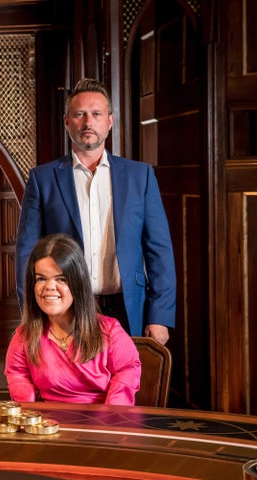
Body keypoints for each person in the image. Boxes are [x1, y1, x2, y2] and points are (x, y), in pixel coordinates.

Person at [15, 78, 176, 345]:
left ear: (109, 121)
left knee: (126, 386)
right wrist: (32, 315)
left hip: (127, 308)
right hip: (66, 309)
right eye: (80, 114)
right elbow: (26, 254)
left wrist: (159, 316)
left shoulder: (140, 177)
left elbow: (159, 251)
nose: (88, 122)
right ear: (67, 122)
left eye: (96, 114)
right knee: (71, 387)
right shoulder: (42, 179)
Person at [5, 233, 141, 405]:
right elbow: (18, 378)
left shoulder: (110, 331)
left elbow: (128, 370)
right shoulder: (23, 337)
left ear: (77, 283)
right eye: (41, 279)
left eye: (61, 279)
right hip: (47, 426)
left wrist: (111, 416)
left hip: (104, 423)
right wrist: (31, 416)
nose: (49, 287)